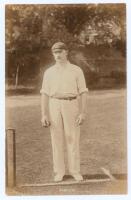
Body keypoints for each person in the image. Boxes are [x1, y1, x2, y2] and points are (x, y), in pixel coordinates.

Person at [40, 42, 88, 182]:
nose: (58, 55)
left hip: (71, 103)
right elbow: (44, 94)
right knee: (56, 139)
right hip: (54, 104)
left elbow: (83, 92)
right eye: (55, 52)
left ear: (66, 52)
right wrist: (44, 114)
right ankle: (59, 172)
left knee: (72, 138)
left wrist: (82, 112)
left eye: (60, 51)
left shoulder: (76, 70)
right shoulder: (49, 72)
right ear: (53, 54)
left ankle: (75, 171)